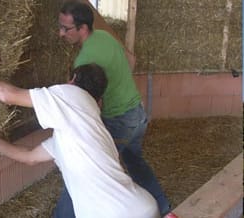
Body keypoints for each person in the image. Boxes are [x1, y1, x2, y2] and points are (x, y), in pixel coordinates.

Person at [0, 45, 159, 218]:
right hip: (141, 207)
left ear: (72, 80)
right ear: (99, 99)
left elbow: (7, 95)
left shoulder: (71, 95)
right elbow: (29, 157)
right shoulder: (79, 132)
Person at [56, 1, 177, 218]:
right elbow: (129, 61)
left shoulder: (85, 60)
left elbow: (84, 106)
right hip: (137, 114)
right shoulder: (103, 36)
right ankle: (165, 211)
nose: (60, 33)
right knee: (135, 162)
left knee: (83, 172)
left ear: (83, 28)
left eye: (66, 28)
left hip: (119, 121)